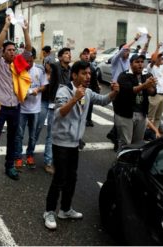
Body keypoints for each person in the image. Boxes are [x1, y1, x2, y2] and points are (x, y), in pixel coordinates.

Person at [43, 61, 119, 230]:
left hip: (74, 143)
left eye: (89, 74)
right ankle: (49, 211)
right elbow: (59, 113)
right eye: (84, 73)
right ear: (74, 75)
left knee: (72, 178)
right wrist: (75, 98)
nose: (88, 77)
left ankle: (65, 209)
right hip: (60, 142)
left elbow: (104, 100)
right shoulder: (64, 91)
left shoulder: (89, 92)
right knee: (59, 178)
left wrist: (114, 93)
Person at [0, 16, 32, 186]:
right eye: (9, 50)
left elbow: (29, 50)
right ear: (3, 53)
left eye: (13, 50)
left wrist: (25, 29)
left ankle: (9, 166)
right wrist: (6, 26)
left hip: (15, 107)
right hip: (0, 107)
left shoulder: (18, 63)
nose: (12, 52)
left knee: (13, 138)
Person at [35, 47, 72, 175]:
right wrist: (50, 61)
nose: (69, 55)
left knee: (53, 134)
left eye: (69, 53)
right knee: (38, 128)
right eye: (66, 54)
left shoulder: (70, 71)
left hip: (60, 106)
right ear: (60, 57)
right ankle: (30, 151)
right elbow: (49, 63)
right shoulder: (56, 67)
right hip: (49, 103)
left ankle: (48, 162)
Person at [113, 54, 157, 152]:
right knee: (125, 142)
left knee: (138, 143)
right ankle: (121, 163)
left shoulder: (147, 75)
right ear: (131, 64)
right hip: (125, 114)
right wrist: (144, 85)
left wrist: (150, 86)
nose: (140, 64)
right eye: (137, 62)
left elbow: (153, 92)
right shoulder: (124, 76)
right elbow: (128, 91)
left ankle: (133, 164)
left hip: (141, 114)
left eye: (142, 62)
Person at [14, 47, 48, 170]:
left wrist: (37, 90)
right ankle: (18, 157)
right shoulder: (19, 70)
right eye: (25, 60)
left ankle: (30, 155)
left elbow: (44, 85)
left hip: (35, 109)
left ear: (33, 58)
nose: (27, 63)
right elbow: (15, 88)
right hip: (22, 109)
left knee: (33, 135)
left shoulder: (39, 70)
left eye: (29, 60)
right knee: (19, 135)